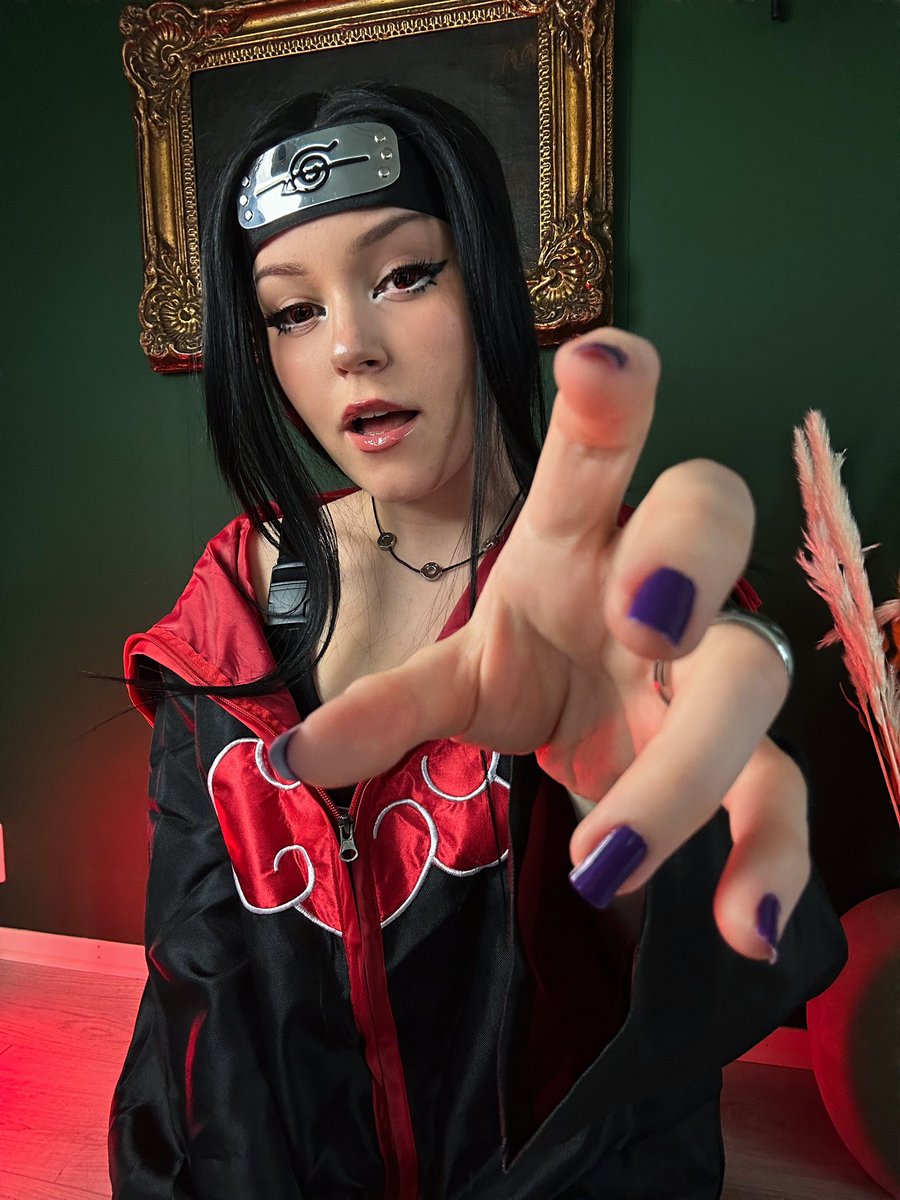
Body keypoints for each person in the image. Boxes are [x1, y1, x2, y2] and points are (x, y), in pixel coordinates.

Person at [109, 84, 846, 1199]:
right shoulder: (227, 613)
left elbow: (700, 1015)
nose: (350, 347)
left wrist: (625, 811)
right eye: (292, 311)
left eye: (405, 274)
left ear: (487, 278)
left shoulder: (635, 610)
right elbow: (190, 1016)